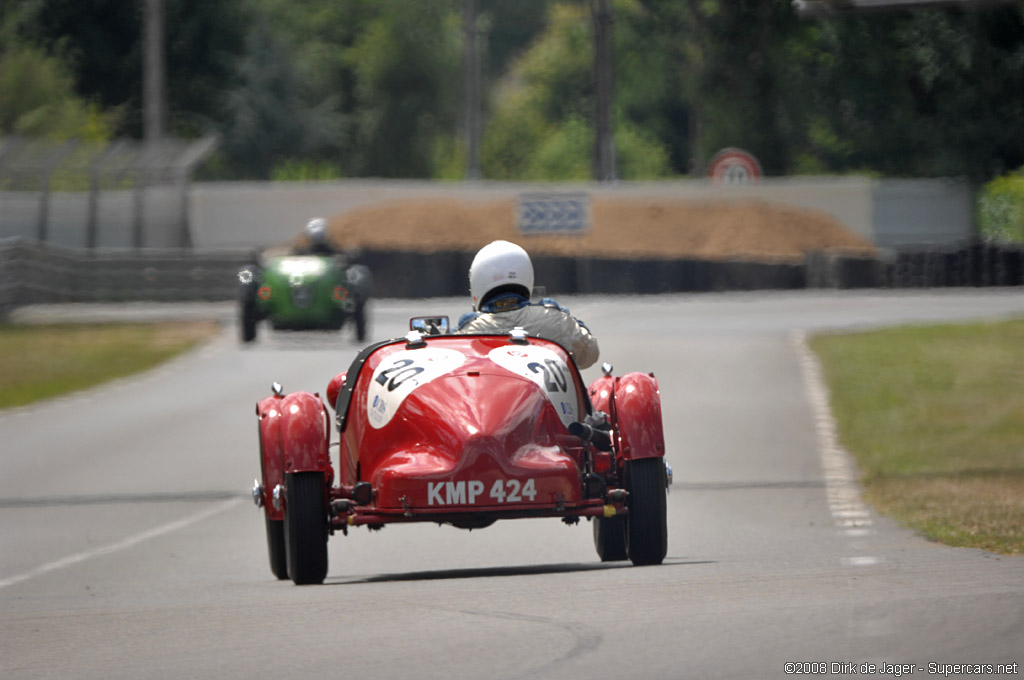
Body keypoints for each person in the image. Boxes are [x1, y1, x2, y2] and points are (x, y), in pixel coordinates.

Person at [455, 240, 599, 369]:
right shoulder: (555, 319)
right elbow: (590, 354)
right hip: (544, 398)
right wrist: (570, 320)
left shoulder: (468, 332)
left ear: (477, 280)